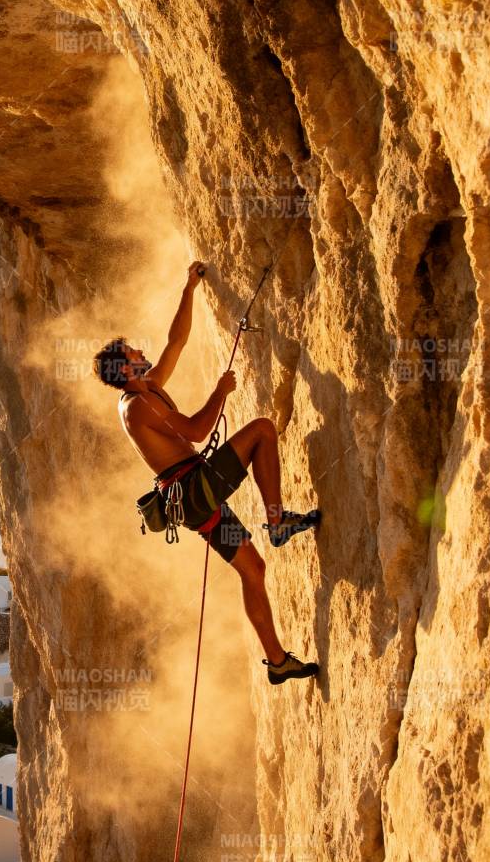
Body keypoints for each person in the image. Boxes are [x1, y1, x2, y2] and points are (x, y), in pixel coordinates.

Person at [94, 261, 321, 685]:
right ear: (125, 370)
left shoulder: (149, 388)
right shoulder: (138, 405)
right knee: (261, 431)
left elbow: (175, 342)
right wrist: (220, 391)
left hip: (200, 503)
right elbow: (198, 431)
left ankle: (277, 662)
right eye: (134, 355)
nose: (142, 355)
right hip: (199, 489)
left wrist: (189, 288)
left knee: (252, 569)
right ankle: (277, 521)